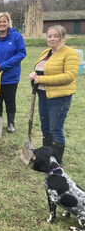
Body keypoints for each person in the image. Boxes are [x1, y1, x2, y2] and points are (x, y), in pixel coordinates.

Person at [29, 25, 79, 164]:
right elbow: (41, 69)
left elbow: (69, 76)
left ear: (63, 37)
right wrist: (35, 74)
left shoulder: (70, 53)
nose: (52, 39)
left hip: (59, 98)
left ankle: (56, 161)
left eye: (56, 36)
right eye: (49, 36)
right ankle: (46, 158)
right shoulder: (46, 52)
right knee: (45, 128)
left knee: (55, 129)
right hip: (43, 95)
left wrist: (43, 79)